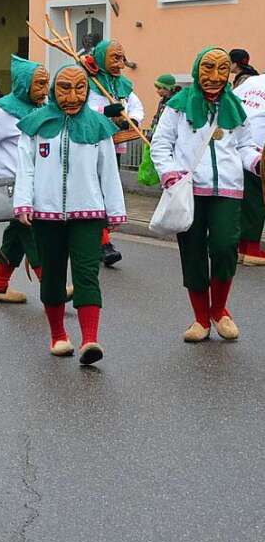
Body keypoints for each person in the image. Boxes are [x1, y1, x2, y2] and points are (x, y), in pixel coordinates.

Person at [14, 65, 125, 365]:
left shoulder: (99, 126)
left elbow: (109, 172)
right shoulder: (35, 125)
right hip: (46, 215)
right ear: (53, 89)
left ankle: (90, 339)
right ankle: (58, 335)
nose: (72, 96)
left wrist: (114, 210)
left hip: (87, 214)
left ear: (87, 90)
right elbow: (25, 168)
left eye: (79, 88)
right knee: (51, 275)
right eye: (64, 88)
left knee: (87, 273)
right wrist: (23, 202)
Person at [151, 48, 259, 342]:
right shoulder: (178, 105)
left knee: (225, 248)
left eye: (222, 69)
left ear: (229, 73)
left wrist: (257, 162)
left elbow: (245, 146)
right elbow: (161, 144)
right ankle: (200, 319)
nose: (214, 77)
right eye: (208, 68)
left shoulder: (235, 107)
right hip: (188, 190)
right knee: (193, 252)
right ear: (197, 70)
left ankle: (220, 310)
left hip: (228, 189)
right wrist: (171, 173)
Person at [0, 55, 50, 304]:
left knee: (16, 235)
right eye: (39, 84)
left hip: (36, 183)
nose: (45, 90)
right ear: (23, 84)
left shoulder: (40, 109)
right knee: (32, 231)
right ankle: (51, 286)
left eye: (46, 83)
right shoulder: (2, 113)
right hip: (13, 185)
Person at [86, 39, 144, 267]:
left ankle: (101, 239)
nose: (121, 64)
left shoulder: (123, 84)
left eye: (122, 58)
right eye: (115, 58)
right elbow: (81, 109)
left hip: (114, 145)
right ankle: (102, 242)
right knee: (95, 192)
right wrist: (106, 111)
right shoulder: (88, 82)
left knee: (107, 191)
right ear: (101, 57)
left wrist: (131, 120)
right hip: (91, 146)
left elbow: (137, 107)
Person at [233, 67, 265, 265]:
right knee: (256, 203)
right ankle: (252, 250)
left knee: (242, 201)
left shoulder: (251, 82)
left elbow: (231, 102)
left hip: (234, 145)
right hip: (257, 152)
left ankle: (241, 249)